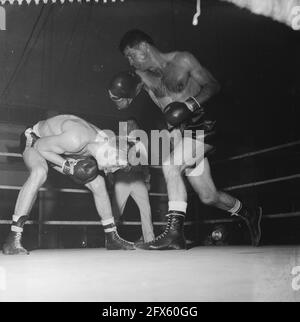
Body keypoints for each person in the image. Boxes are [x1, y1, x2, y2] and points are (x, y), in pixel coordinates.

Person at [108, 29, 262, 250]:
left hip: (206, 121)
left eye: (131, 55)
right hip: (183, 132)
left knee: (171, 164)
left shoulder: (183, 60)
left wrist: (190, 105)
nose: (130, 62)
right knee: (208, 196)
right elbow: (128, 99)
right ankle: (248, 212)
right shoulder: (143, 77)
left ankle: (174, 234)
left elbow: (213, 85)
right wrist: (117, 96)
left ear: (143, 47)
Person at [2, 114, 136, 255]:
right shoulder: (77, 139)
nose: (113, 170)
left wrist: (69, 163)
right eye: (115, 163)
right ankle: (12, 238)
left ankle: (112, 237)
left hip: (58, 148)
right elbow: (39, 147)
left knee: (98, 183)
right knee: (39, 172)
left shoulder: (101, 141)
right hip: (36, 139)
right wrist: (67, 166)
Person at [110, 118, 155, 243]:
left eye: (134, 125)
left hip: (138, 179)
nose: (131, 127)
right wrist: (110, 175)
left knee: (146, 209)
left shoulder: (141, 142)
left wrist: (147, 179)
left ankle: (149, 240)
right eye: (129, 124)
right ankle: (111, 238)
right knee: (116, 210)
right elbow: (110, 160)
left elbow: (145, 163)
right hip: (121, 179)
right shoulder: (117, 140)